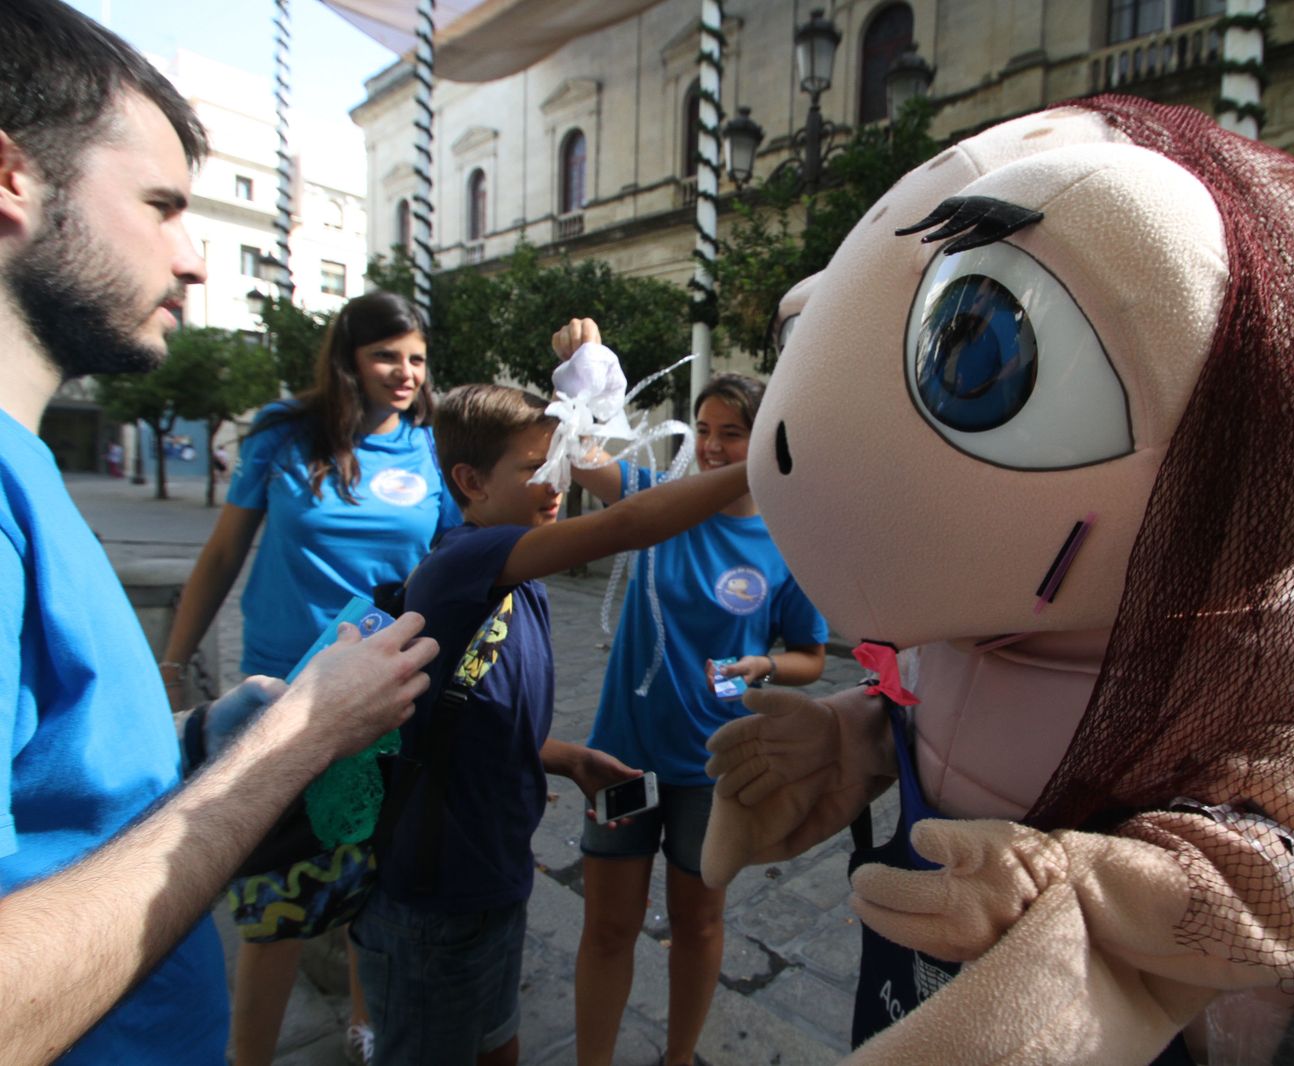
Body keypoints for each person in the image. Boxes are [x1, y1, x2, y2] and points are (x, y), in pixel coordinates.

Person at [0, 2, 439, 1062]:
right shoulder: (284, 437)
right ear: (11, 179)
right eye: (160, 205)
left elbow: (55, 806)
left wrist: (201, 750)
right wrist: (293, 741)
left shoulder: (29, 472)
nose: (195, 261)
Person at [352, 378, 751, 1066]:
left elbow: (475, 714)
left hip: (496, 877)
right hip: (434, 895)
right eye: (535, 466)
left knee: (495, 1041)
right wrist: (766, 460)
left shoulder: (517, 572)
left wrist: (566, 757)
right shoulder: (469, 561)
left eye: (558, 458)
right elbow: (628, 522)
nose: (556, 479)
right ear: (470, 481)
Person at [161, 288, 458, 1066]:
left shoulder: (430, 449)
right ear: (349, 361)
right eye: (387, 355)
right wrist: (173, 655)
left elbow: (459, 565)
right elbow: (224, 552)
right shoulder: (283, 435)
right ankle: (247, 1054)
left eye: (417, 358)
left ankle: (363, 1026)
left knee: (373, 875)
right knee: (274, 899)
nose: (405, 372)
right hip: (280, 695)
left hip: (388, 690)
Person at [554, 321, 830, 1066]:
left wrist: (763, 670)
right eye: (703, 430)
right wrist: (587, 371)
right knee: (608, 926)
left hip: (714, 768)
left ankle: (679, 1058)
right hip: (623, 758)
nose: (709, 446)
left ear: (763, 439)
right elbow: (584, 464)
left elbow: (808, 654)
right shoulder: (660, 498)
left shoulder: (783, 543)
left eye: (731, 433)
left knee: (699, 924)